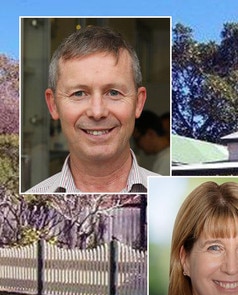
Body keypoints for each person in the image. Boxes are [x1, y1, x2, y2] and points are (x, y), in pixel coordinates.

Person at [26, 25, 157, 193]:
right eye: (79, 93)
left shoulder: (171, 199)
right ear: (53, 105)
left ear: (138, 103)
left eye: (113, 92)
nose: (97, 112)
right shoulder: (27, 203)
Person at [133, 110, 170, 175]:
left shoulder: (166, 160)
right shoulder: (165, 157)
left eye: (137, 140)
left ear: (150, 134)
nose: (138, 146)